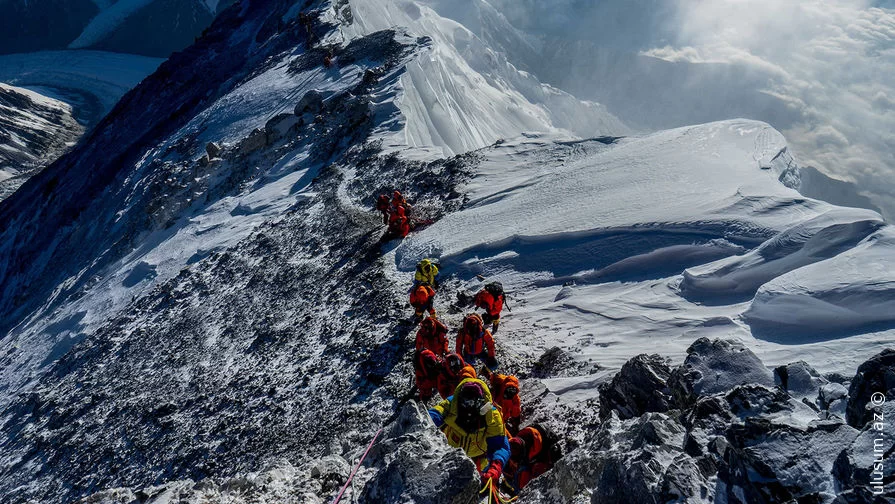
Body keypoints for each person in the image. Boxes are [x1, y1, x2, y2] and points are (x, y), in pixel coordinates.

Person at [428, 379, 510, 488]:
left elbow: (499, 445)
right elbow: (435, 413)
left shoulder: (491, 415)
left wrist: (495, 467)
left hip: (478, 460)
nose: (468, 406)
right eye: (466, 401)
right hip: (449, 455)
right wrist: (427, 420)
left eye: (472, 402)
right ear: (460, 398)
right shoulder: (452, 403)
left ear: (481, 402)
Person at [502, 424, 563, 495]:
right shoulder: (520, 442)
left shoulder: (541, 451)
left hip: (540, 461)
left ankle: (515, 490)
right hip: (532, 455)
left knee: (522, 480)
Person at [485, 369, 521, 435]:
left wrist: (516, 426)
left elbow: (516, 414)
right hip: (493, 406)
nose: (506, 396)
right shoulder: (499, 382)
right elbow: (493, 377)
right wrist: (488, 374)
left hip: (502, 417)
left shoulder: (515, 400)